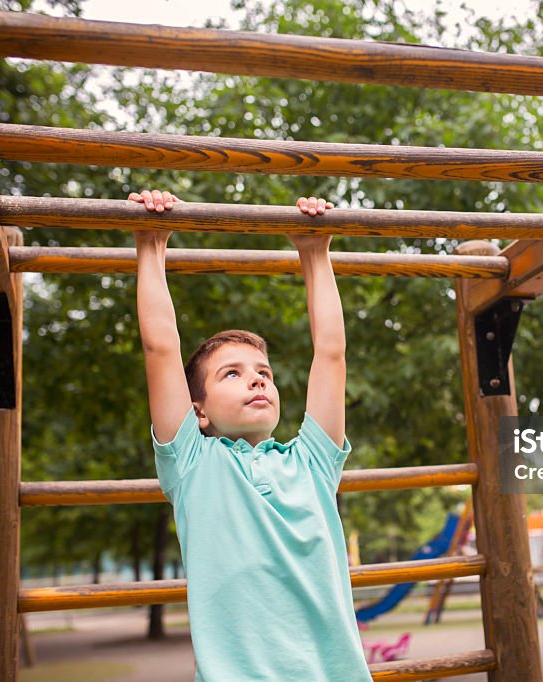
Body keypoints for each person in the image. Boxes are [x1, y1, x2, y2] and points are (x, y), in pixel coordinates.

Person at [131, 188, 372, 681]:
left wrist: (315, 253)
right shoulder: (192, 464)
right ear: (197, 410)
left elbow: (331, 352)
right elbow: (160, 347)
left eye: (263, 371)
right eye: (232, 374)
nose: (258, 379)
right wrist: (151, 245)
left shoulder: (313, 461)